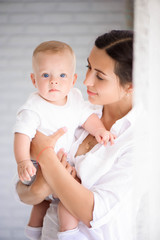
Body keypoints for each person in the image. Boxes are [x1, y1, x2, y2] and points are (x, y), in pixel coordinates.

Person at [16, 30, 146, 240]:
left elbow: (91, 213)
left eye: (100, 76)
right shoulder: (75, 111)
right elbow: (24, 192)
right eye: (88, 67)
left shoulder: (141, 140)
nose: (85, 81)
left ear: (130, 86)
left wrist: (46, 157)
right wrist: (43, 182)